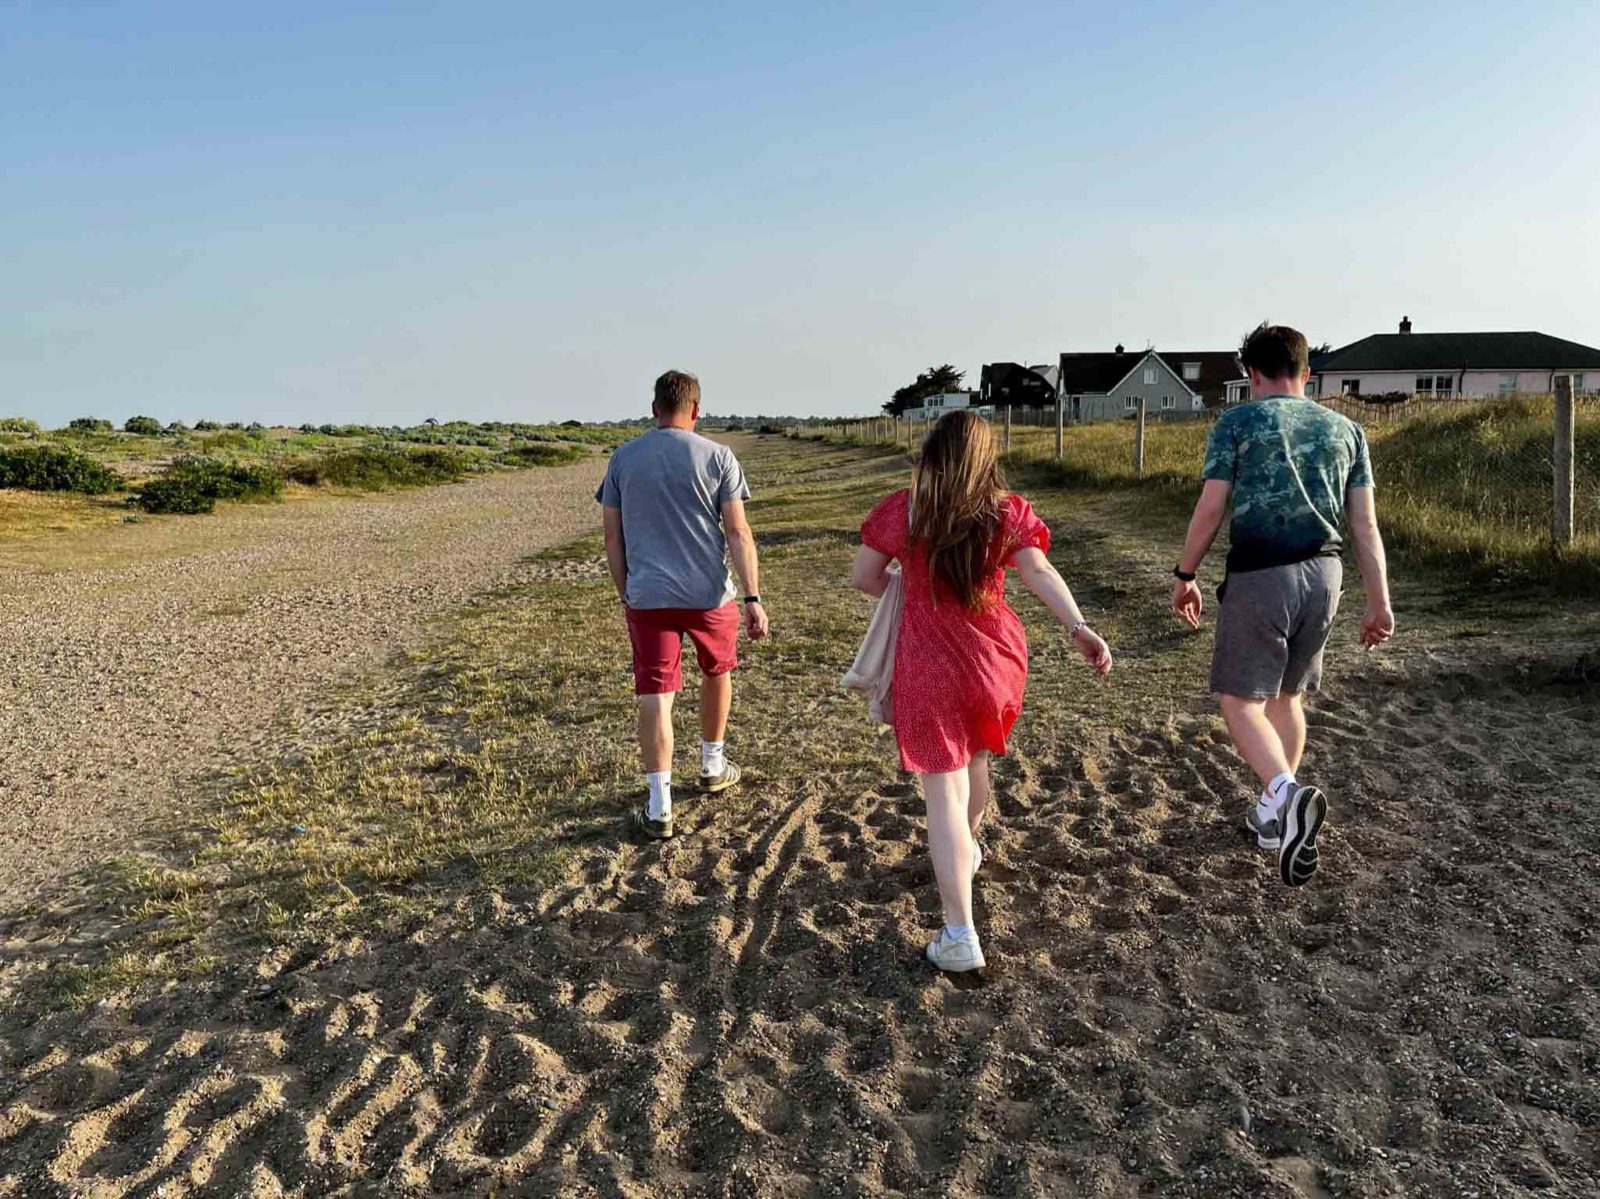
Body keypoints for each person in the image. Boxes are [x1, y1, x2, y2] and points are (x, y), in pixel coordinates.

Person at [851, 410, 1113, 973]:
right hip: (993, 660)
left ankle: (959, 932)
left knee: (940, 792)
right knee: (976, 760)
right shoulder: (1004, 512)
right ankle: (967, 854)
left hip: (927, 663)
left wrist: (907, 585)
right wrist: (1078, 626)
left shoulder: (904, 510)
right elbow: (1038, 571)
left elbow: (864, 578)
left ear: (931, 454)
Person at [1172, 323, 1394, 887]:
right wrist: (1378, 601)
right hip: (1327, 573)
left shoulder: (1238, 422)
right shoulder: (1347, 430)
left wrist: (1185, 573)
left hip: (1262, 572)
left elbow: (1211, 506)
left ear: (1252, 373)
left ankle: (1284, 794)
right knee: (1288, 696)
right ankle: (1277, 819)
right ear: (1307, 373)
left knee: (1240, 701)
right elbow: (1364, 525)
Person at [598, 369, 769, 840]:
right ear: (696, 410)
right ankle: (712, 765)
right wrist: (752, 596)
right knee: (718, 671)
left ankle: (659, 805)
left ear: (654, 409)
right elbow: (738, 531)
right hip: (709, 594)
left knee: (656, 694)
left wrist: (625, 590)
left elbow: (613, 537)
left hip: (649, 595)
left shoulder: (623, 459)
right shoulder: (719, 457)